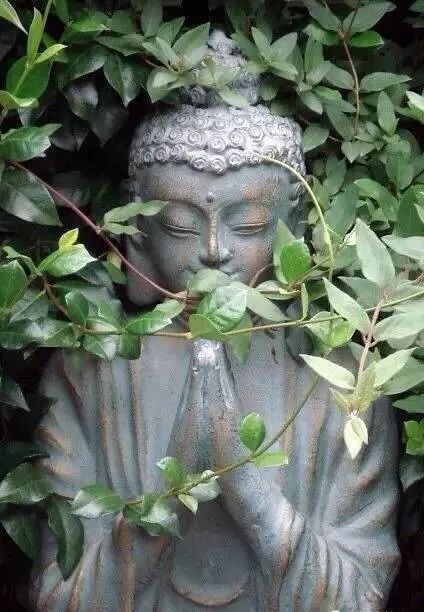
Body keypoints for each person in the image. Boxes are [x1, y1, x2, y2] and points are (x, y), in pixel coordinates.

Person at [28, 32, 400, 612]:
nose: (212, 251)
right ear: (138, 232)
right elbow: (57, 595)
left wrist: (250, 493)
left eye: (247, 225)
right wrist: (170, 497)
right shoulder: (91, 370)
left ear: (293, 230)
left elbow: (362, 597)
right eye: (179, 225)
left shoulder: (342, 384)